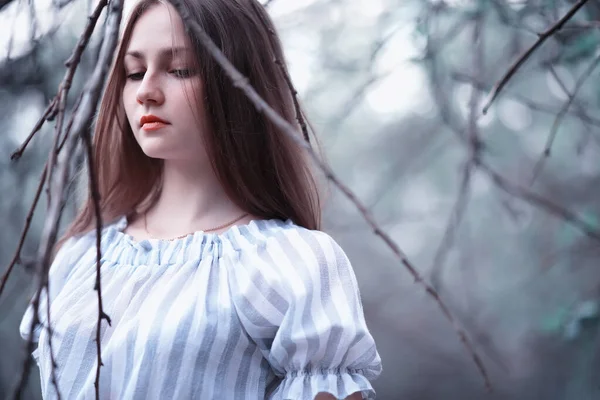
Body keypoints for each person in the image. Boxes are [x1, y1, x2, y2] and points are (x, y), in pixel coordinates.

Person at [20, 0, 382, 398]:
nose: (146, 92)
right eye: (134, 72)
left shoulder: (288, 265)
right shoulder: (81, 258)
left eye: (179, 70)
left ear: (238, 82)